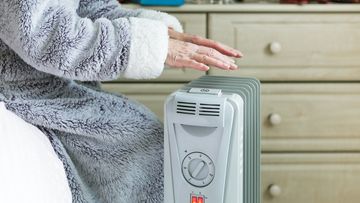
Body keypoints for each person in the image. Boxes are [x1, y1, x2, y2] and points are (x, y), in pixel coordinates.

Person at [0, 0, 242, 202]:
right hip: (20, 91)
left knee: (149, 137)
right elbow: (46, 37)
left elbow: (93, 7)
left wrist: (159, 33)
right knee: (146, 152)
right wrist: (150, 45)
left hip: (57, 87)